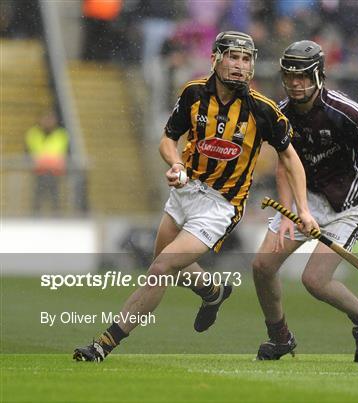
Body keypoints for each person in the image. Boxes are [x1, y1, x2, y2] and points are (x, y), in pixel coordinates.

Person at [74, 31, 318, 362]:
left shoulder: (264, 110)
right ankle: (213, 292)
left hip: (221, 205)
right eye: (233, 57)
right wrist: (175, 163)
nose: (239, 66)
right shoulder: (192, 93)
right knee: (165, 261)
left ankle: (103, 344)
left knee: (161, 267)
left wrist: (302, 209)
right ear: (215, 58)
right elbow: (168, 139)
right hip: (185, 191)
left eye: (246, 59)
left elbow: (290, 159)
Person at [251, 40, 358, 363]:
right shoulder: (282, 114)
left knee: (314, 281)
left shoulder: (341, 110)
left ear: (318, 76)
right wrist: (290, 213)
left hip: (350, 206)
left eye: (302, 77)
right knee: (262, 266)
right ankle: (280, 337)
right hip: (306, 200)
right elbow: (283, 164)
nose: (295, 84)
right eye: (289, 77)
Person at [25, 110, 69, 214]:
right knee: (38, 196)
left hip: (55, 172)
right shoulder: (33, 133)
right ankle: (35, 217)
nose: (48, 122)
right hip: (39, 171)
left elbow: (63, 151)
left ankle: (56, 217)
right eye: (46, 119)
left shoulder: (61, 134)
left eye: (50, 119)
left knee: (55, 196)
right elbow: (28, 151)